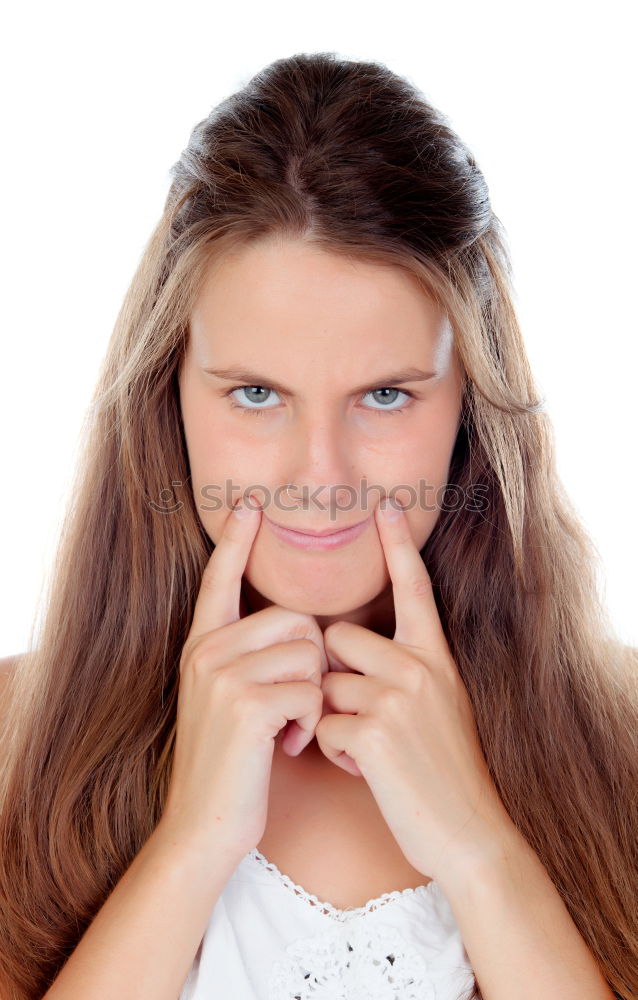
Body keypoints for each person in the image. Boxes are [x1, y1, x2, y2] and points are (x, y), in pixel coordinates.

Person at [0, 51, 634, 1000]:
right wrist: (189, 847)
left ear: (472, 404)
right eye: (256, 394)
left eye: (385, 395)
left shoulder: (623, 735)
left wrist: (477, 846)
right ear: (167, 397)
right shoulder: (15, 732)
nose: (322, 477)